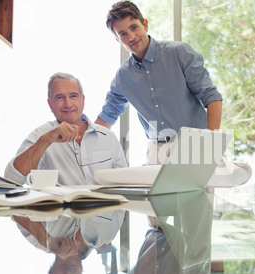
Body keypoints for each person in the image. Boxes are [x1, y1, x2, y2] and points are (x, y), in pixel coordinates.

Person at [95, 1, 222, 164]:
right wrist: (80, 141)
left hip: (196, 145)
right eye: (123, 34)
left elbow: (212, 97)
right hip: (157, 152)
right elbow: (107, 115)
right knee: (155, 190)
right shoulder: (123, 76)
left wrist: (211, 145)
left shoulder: (179, 52)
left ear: (145, 24)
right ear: (117, 40)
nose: (131, 37)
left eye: (133, 27)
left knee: (198, 191)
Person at [5, 72, 128, 185]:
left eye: (73, 96)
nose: (68, 104)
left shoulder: (107, 137)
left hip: (106, 208)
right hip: (63, 208)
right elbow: (12, 180)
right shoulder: (41, 136)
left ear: (82, 100)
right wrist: (45, 141)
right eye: (59, 97)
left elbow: (125, 182)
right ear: (50, 104)